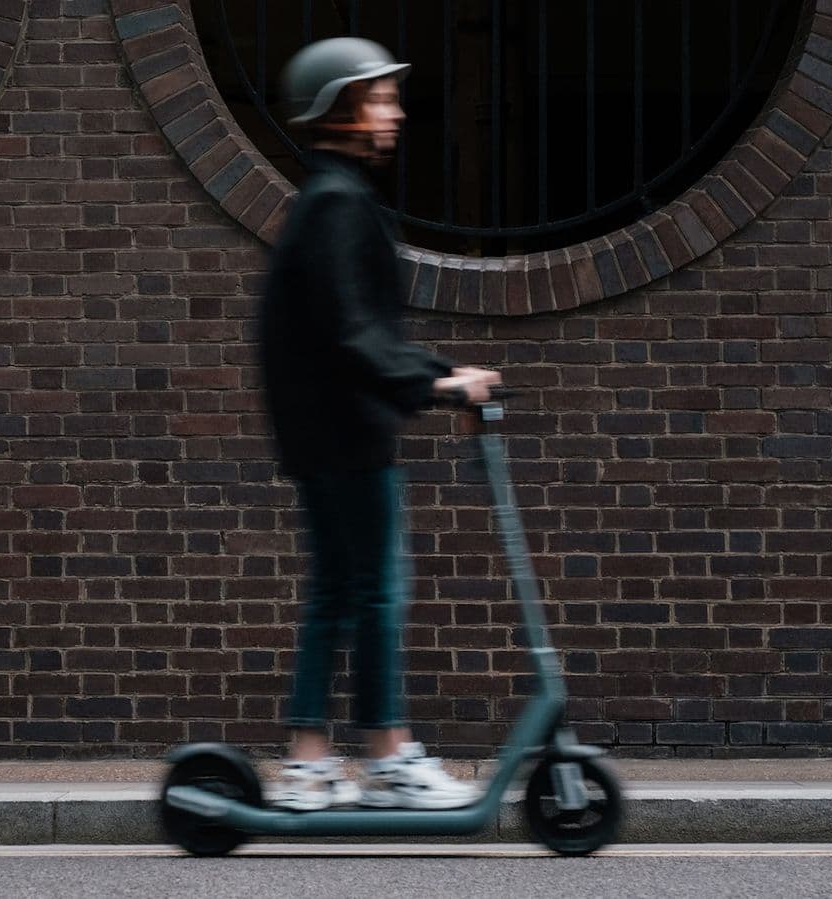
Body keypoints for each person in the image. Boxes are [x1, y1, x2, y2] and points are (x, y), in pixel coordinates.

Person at [259, 37, 502, 811]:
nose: (395, 111)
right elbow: (352, 335)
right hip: (343, 436)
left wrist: (436, 376)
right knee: (374, 591)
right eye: (381, 97)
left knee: (340, 591)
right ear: (342, 108)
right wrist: (439, 390)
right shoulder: (336, 203)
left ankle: (308, 763)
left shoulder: (329, 197)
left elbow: (362, 331)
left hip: (328, 431)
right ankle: (389, 756)